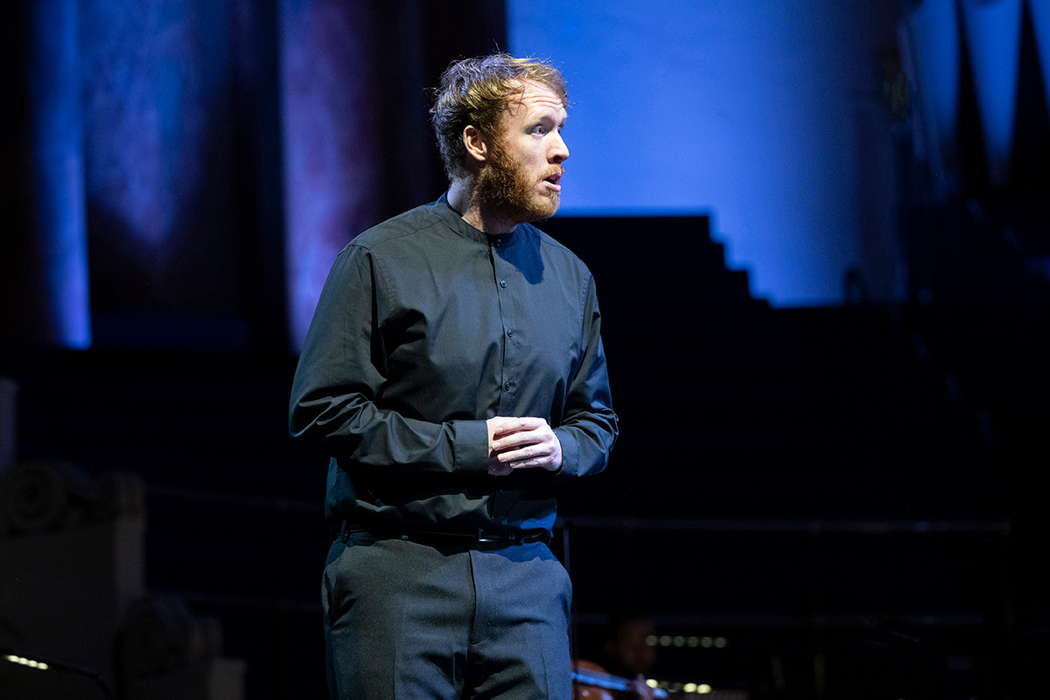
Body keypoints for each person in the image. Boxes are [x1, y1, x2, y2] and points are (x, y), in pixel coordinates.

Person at [289, 53, 619, 699]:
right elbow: (323, 411)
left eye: (561, 129)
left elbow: (596, 420)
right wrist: (472, 448)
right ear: (477, 142)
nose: (563, 151)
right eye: (540, 130)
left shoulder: (571, 277)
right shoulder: (379, 259)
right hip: (399, 573)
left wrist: (564, 447)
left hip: (527, 577)